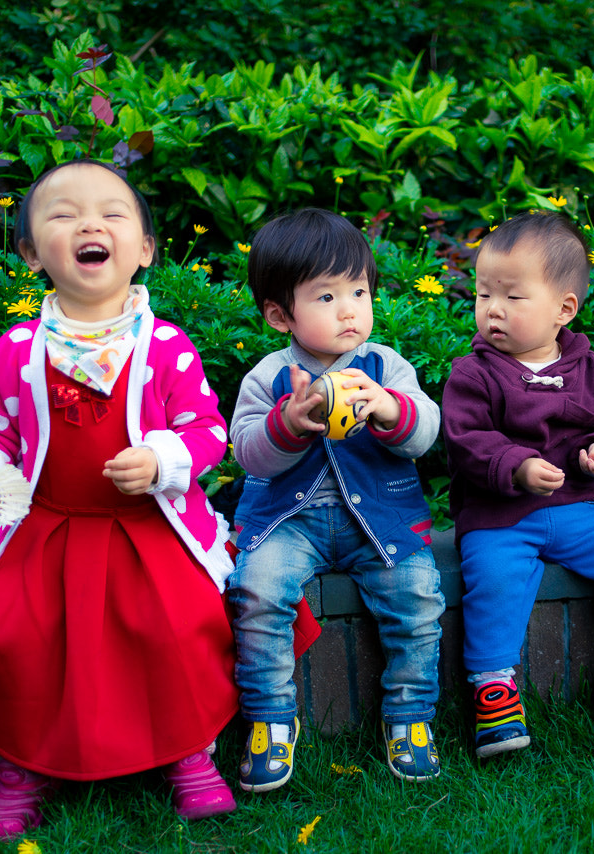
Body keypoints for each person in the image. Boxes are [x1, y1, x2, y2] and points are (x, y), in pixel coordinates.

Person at [0, 159, 241, 840]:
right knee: (17, 633)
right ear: (32, 252)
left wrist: (162, 459)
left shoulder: (167, 348)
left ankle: (189, 755)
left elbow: (208, 431)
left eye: (112, 212)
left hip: (146, 530)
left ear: (145, 250)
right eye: (63, 214)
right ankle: (21, 767)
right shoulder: (19, 349)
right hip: (48, 529)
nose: (90, 223)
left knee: (176, 626)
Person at [443, 211, 594, 759]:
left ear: (563, 309)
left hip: (577, 507)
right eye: (483, 294)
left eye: (512, 297)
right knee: (495, 580)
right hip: (499, 515)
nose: (492, 309)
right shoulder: (473, 374)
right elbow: (465, 437)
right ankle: (493, 688)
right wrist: (516, 465)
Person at [227, 208, 445, 790]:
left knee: (418, 599)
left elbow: (426, 433)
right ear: (280, 314)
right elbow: (246, 451)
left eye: (358, 290)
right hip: (290, 522)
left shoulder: (385, 367)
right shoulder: (269, 377)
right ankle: (270, 718)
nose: (350, 308)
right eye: (326, 297)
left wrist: (391, 409)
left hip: (379, 521)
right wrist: (290, 423)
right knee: (257, 591)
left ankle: (411, 717)